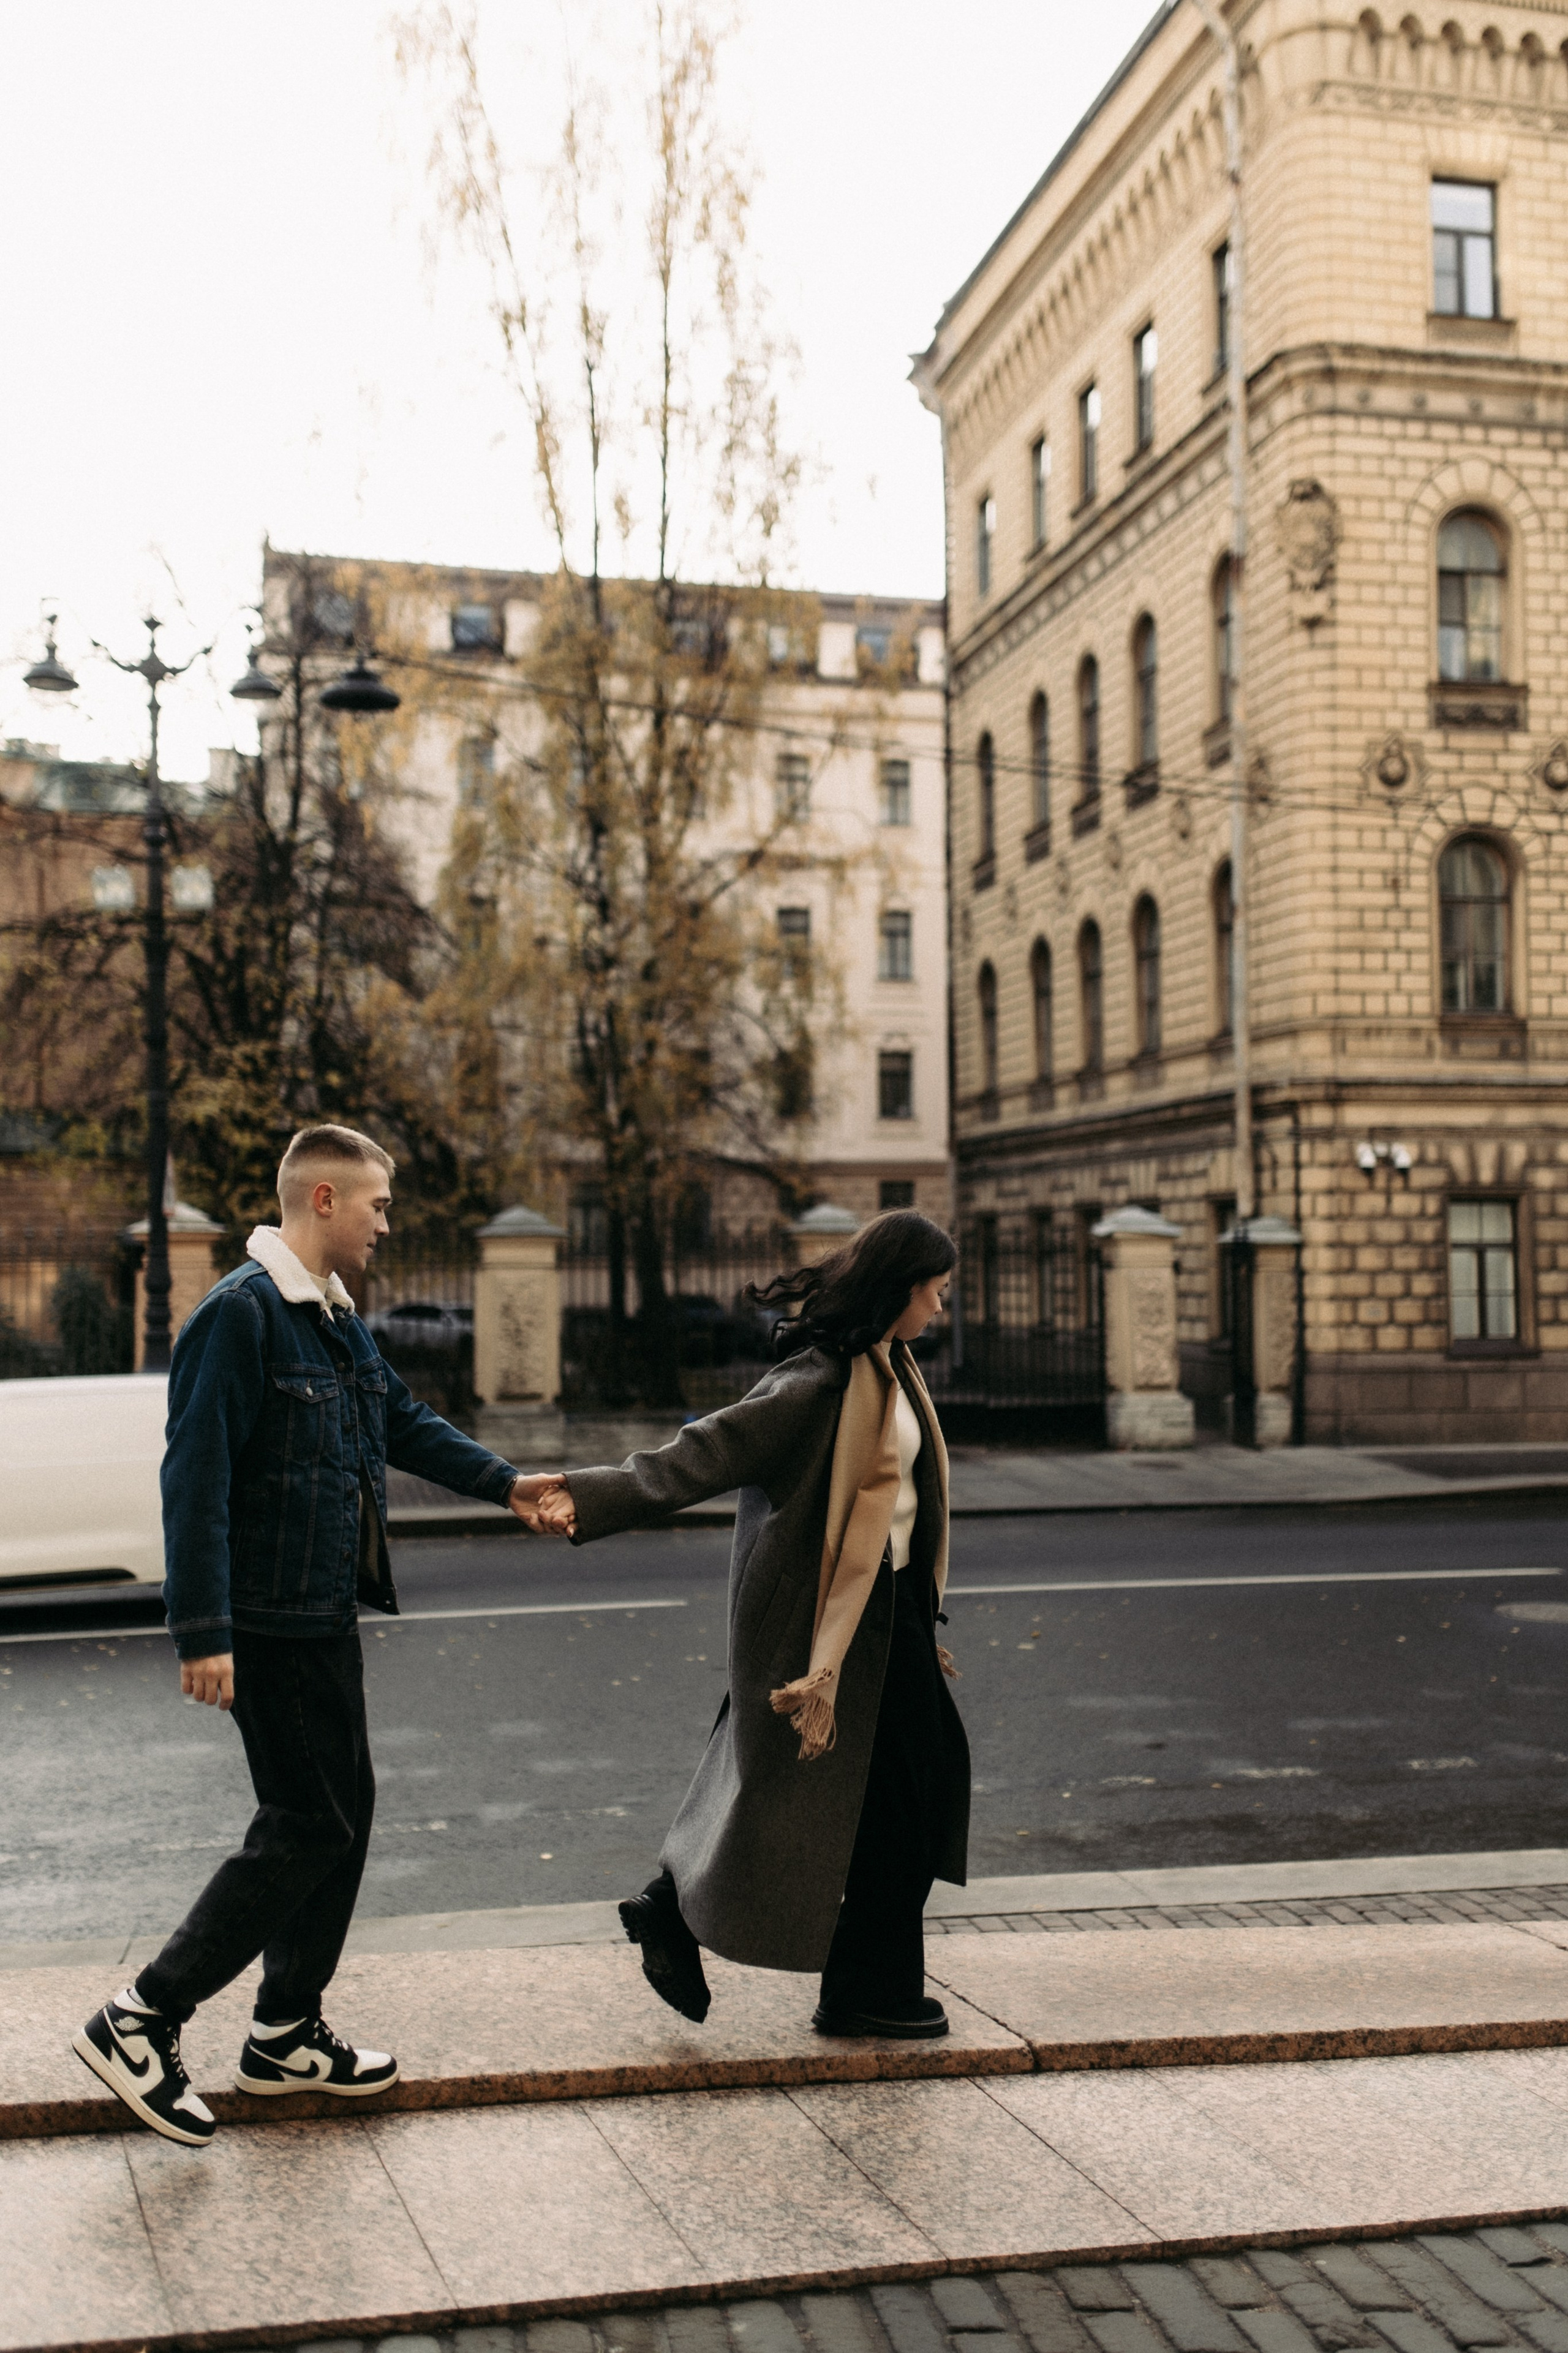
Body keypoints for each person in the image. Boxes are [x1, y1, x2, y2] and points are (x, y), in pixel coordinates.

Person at [72, 1124, 562, 2147]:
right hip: (263, 1624)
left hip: (323, 1611)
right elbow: (193, 1479)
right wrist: (202, 1629)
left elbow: (403, 1419)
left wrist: (507, 1482)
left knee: (347, 1810)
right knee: (306, 1822)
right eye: (379, 1205)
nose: (388, 1224)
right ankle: (140, 2019)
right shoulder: (241, 1317)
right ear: (326, 1199)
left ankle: (286, 2030)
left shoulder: (333, 1319)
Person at [530, 1209, 969, 2039]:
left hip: (892, 1604)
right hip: (829, 1616)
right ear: (901, 1289)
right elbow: (702, 1453)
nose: (940, 1308)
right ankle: (862, 1987)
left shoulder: (892, 1365)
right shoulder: (822, 1381)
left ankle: (717, 1925)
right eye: (935, 1292)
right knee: (882, 1795)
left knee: (881, 1793)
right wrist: (584, 1495)